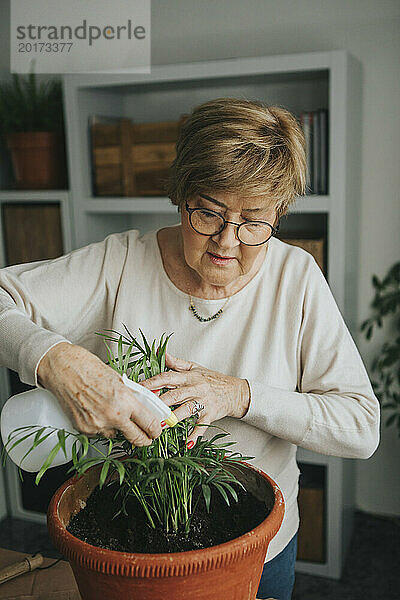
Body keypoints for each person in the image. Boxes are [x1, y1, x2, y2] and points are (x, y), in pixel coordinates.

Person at [0, 98, 379, 600]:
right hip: (133, 531)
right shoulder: (122, 262)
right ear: (181, 198)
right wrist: (56, 361)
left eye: (254, 220)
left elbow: (360, 427)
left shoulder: (297, 277)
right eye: (210, 212)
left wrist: (240, 396)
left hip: (257, 548)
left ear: (279, 212)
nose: (228, 240)